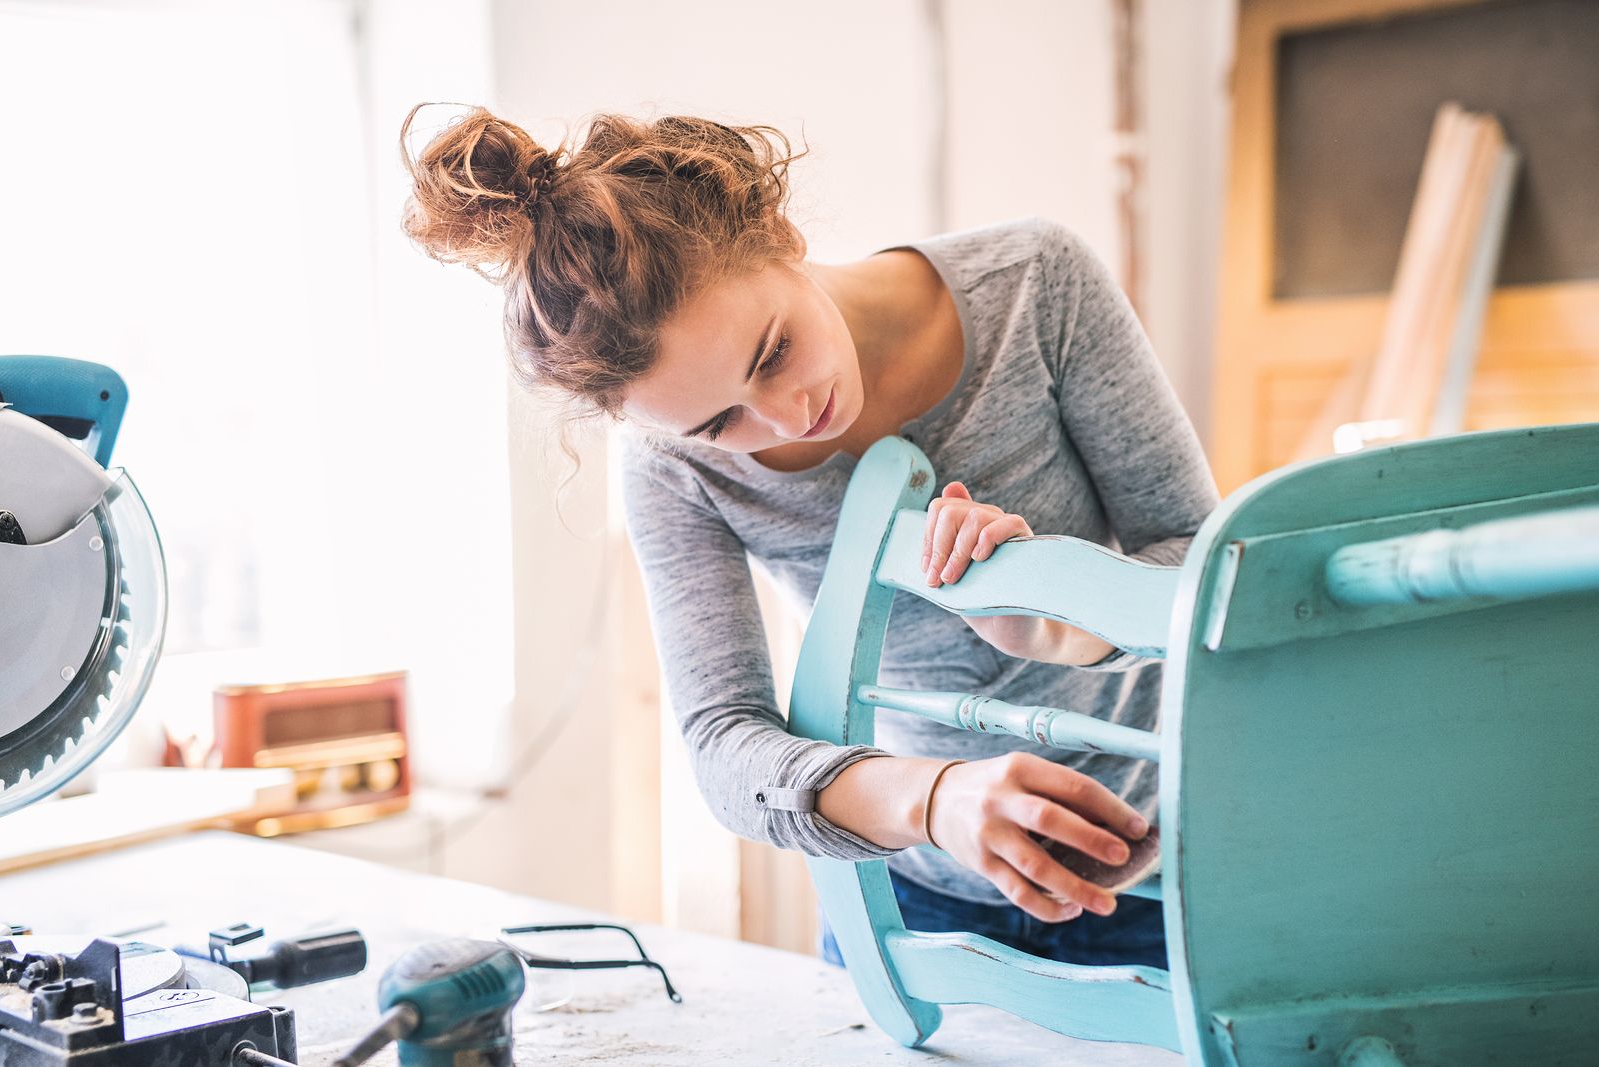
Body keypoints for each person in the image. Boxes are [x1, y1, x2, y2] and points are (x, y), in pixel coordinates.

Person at [399, 105, 1219, 969]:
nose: (789, 414)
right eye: (721, 420)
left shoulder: (1035, 284)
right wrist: (933, 800)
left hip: (1172, 876)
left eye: (773, 349)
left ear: (779, 234)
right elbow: (723, 743)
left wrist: (1056, 622)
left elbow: (1200, 559)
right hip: (910, 909)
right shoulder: (674, 468)